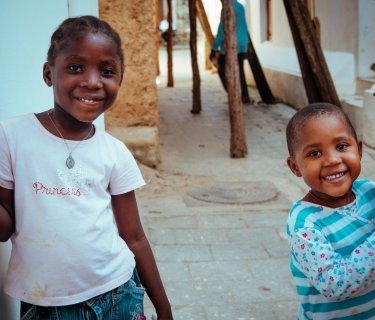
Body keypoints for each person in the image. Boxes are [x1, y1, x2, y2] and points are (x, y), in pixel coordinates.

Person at [0, 16, 173, 320]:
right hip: (45, 305)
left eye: (106, 71)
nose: (93, 81)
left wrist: (164, 307)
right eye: (75, 67)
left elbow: (134, 237)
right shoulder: (12, 137)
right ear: (48, 73)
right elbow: (5, 228)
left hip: (118, 295)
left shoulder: (114, 152)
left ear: (119, 79)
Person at [285, 102, 375, 319]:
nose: (331, 160)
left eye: (341, 147)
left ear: (358, 150)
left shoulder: (370, 192)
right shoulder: (304, 223)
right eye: (314, 153)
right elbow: (334, 285)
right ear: (295, 167)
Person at [210, 0, 250, 103]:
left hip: (232, 44)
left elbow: (221, 30)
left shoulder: (226, 8)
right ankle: (244, 96)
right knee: (239, 69)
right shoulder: (241, 7)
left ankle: (233, 94)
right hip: (243, 43)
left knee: (222, 69)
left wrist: (214, 48)